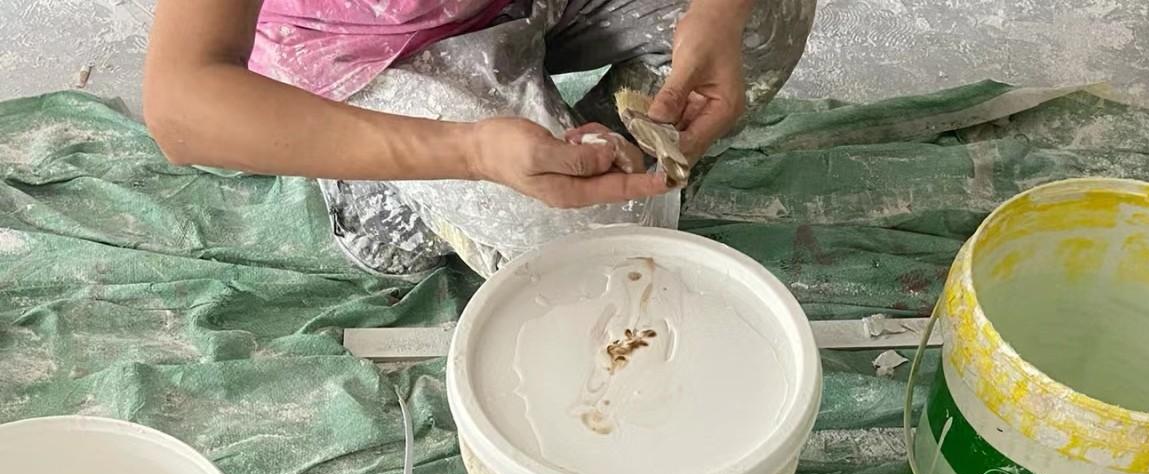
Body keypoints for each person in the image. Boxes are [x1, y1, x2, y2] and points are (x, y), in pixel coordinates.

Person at [144, 0, 816, 278]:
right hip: (369, 44)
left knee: (763, 16)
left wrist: (719, 13)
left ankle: (599, 154)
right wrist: (469, 152)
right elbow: (181, 104)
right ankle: (378, 193)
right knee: (593, 253)